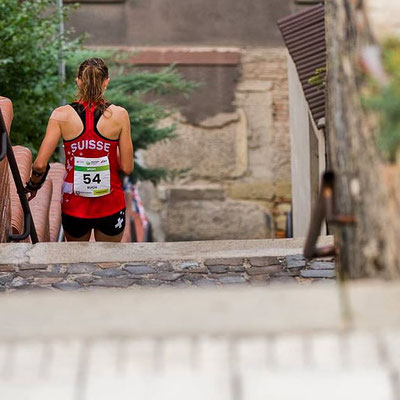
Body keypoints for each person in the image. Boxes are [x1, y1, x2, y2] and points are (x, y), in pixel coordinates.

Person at [24, 58, 134, 242]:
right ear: (106, 81)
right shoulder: (120, 115)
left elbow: (40, 164)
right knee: (109, 263)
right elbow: (127, 167)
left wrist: (33, 185)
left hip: (74, 206)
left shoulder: (60, 115)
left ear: (78, 80)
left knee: (76, 265)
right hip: (110, 204)